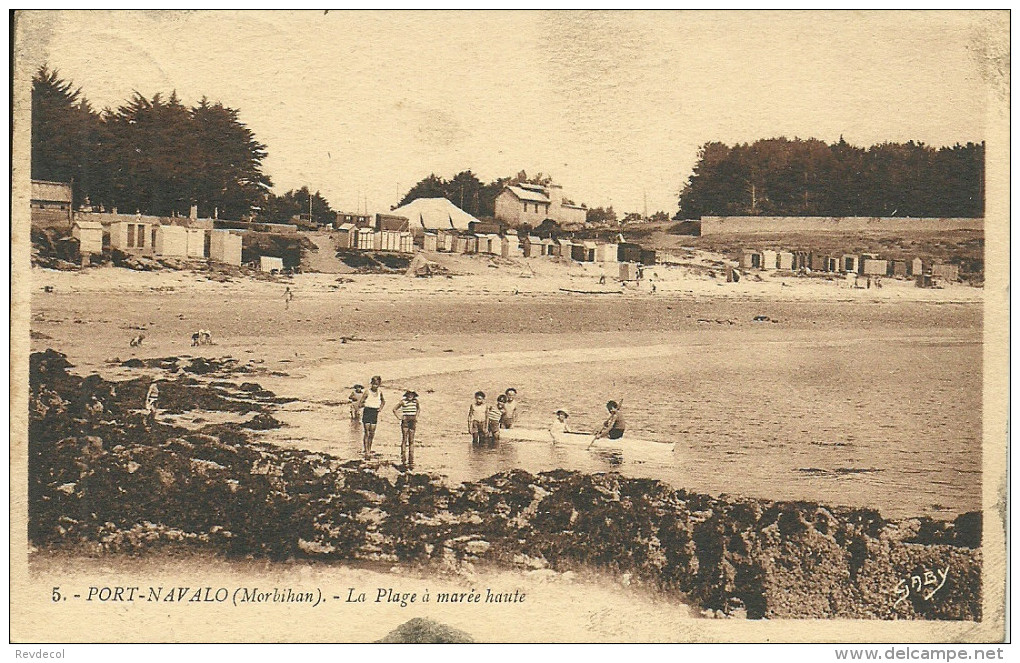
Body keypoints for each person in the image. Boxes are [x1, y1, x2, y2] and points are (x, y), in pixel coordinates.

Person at [359, 376, 385, 457]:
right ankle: (366, 450)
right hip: (367, 411)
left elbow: (383, 401)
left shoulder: (380, 392)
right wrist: (367, 404)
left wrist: (380, 408)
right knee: (366, 432)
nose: (375, 386)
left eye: (377, 384)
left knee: (372, 432)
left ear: (379, 384)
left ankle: (369, 448)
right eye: (373, 384)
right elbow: (360, 403)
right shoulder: (367, 392)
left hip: (374, 412)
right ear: (371, 384)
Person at [393, 391, 420, 467]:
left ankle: (411, 458)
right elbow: (394, 409)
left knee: (411, 440)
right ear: (406, 395)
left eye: (411, 394)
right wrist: (399, 417)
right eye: (409, 394)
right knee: (404, 438)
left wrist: (417, 417)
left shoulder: (416, 401)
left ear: (414, 395)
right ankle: (403, 457)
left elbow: (418, 409)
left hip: (413, 420)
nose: (410, 396)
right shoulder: (403, 401)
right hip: (405, 420)